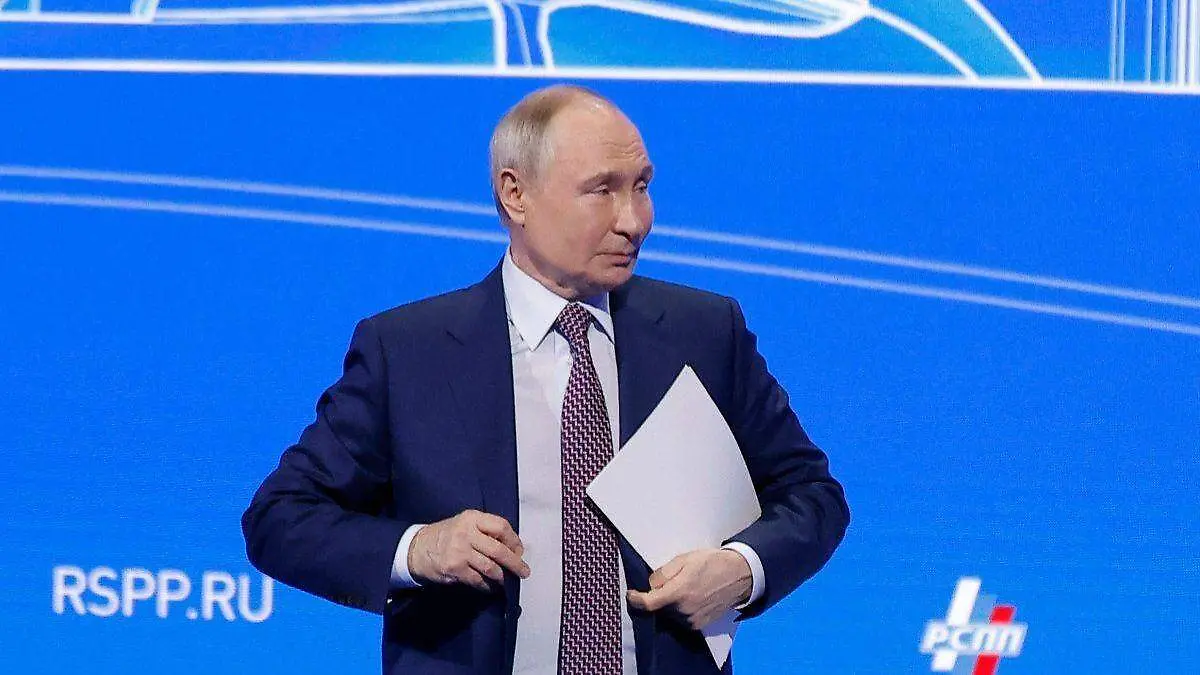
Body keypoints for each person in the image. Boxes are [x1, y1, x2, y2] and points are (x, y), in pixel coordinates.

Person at [242, 84, 849, 675]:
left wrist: (741, 570)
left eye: (641, 187)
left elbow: (812, 495)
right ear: (516, 195)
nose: (634, 221)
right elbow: (280, 518)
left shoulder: (705, 332)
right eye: (601, 190)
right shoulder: (407, 351)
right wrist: (418, 549)